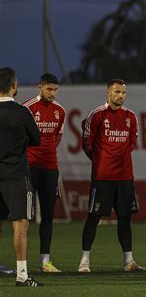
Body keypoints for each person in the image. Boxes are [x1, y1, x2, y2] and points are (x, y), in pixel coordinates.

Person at [78, 79, 146, 273]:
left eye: (123, 93)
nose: (121, 96)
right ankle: (84, 261)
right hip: (103, 176)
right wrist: (100, 161)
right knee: (93, 217)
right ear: (108, 93)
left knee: (125, 218)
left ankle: (129, 261)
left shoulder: (131, 117)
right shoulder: (97, 115)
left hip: (124, 176)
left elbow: (132, 143)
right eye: (117, 92)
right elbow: (87, 144)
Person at [0, 67, 43, 286]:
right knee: (21, 224)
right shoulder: (21, 112)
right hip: (17, 175)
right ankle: (22, 275)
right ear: (14, 86)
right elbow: (36, 139)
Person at [22, 73, 66, 272]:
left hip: (50, 169)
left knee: (48, 216)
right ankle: (21, 263)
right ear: (40, 87)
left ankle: (44, 262)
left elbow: (57, 138)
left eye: (55, 89)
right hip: (30, 168)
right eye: (49, 89)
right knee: (24, 217)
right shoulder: (27, 108)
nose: (53, 93)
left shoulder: (60, 111)